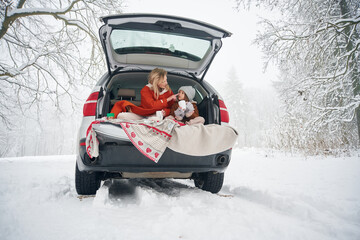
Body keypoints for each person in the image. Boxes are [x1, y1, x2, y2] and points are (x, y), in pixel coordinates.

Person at [110, 68, 178, 119]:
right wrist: (167, 100)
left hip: (158, 116)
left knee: (156, 119)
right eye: (163, 81)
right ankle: (110, 117)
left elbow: (172, 108)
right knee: (121, 115)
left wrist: (166, 112)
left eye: (166, 80)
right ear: (156, 82)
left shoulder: (168, 91)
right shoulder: (145, 90)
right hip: (143, 114)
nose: (166, 83)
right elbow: (151, 106)